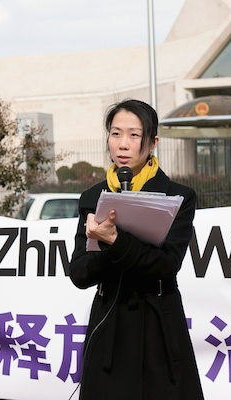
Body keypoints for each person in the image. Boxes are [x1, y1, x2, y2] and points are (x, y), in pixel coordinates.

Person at [68, 99, 204, 400]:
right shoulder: (92, 197)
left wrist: (117, 241)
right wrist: (103, 245)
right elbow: (79, 273)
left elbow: (167, 264)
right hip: (109, 326)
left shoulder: (178, 196)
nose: (123, 145)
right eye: (115, 134)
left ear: (153, 142)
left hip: (158, 324)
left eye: (133, 135)